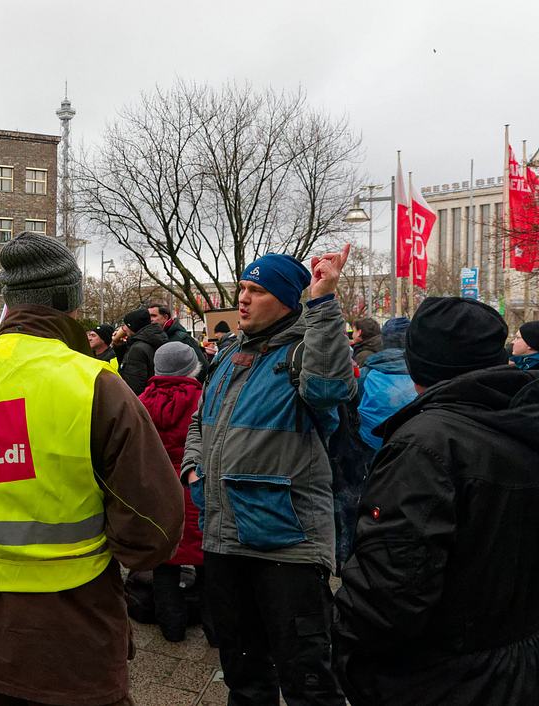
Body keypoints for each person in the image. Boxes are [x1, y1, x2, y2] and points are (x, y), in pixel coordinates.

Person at [0, 232, 184, 706]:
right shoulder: (96, 385)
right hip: (74, 637)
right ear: (70, 301)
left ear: (9, 300)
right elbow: (153, 531)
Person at [334, 297, 539, 705]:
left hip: (440, 677)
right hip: (517, 666)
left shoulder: (426, 444)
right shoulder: (520, 420)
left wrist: (341, 644)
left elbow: (391, 590)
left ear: (419, 363)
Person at [182, 247, 355, 706]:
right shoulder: (229, 354)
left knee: (308, 683)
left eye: (257, 290)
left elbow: (330, 386)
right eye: (242, 287)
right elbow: (200, 420)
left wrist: (323, 301)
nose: (242, 298)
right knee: (243, 677)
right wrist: (193, 468)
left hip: (288, 546)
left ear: (285, 299)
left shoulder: (305, 352)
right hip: (223, 538)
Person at [139, 342, 206, 643]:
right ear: (193, 367)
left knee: (164, 564)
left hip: (157, 492)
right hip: (195, 490)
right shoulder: (203, 400)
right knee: (207, 562)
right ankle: (216, 629)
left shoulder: (141, 401)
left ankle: (172, 628)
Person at [355, 316, 415, 451]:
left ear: (383, 340)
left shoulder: (365, 374)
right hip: (412, 447)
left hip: (370, 446)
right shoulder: (422, 375)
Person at [115, 308, 167, 394]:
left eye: (126, 325)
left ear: (132, 326)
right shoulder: (154, 340)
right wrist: (119, 347)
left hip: (138, 398)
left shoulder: (137, 349)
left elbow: (133, 384)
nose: (123, 329)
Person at [149, 303, 207, 367]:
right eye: (149, 316)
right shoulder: (154, 337)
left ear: (165, 317)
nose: (150, 319)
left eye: (154, 316)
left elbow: (202, 365)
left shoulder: (182, 338)